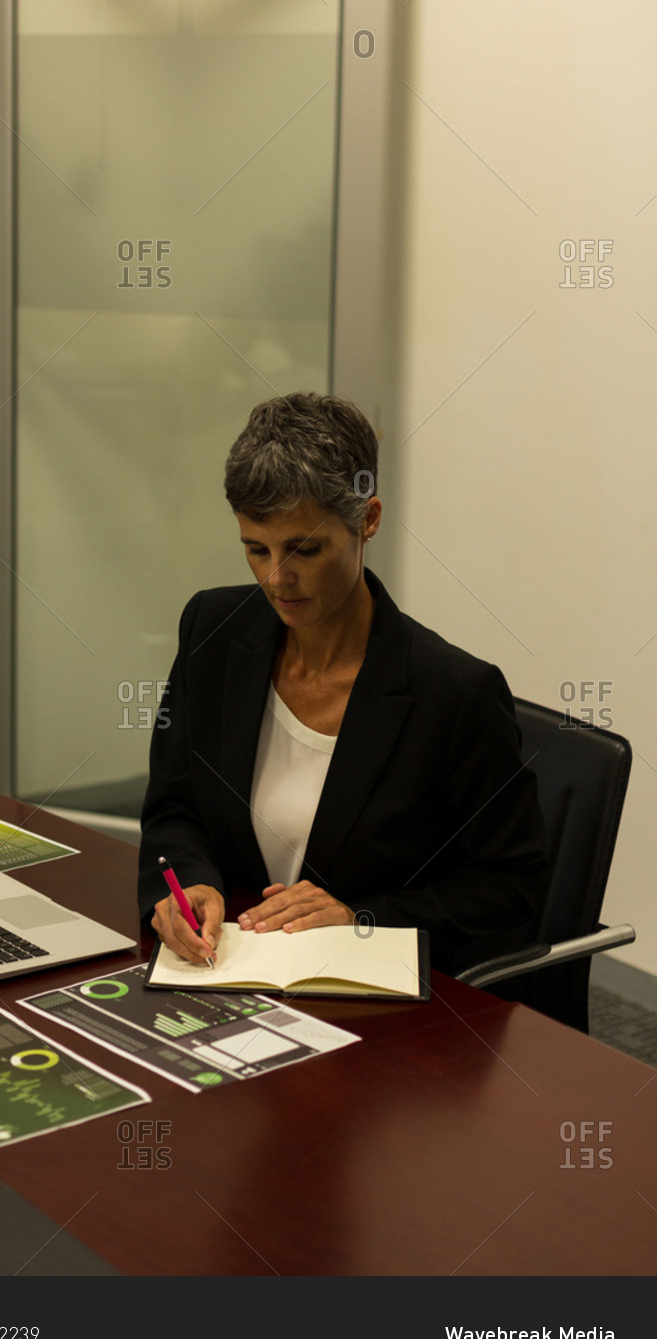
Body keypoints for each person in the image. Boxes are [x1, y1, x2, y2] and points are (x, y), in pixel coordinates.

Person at [137, 392, 548, 978]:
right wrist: (191, 881)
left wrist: (364, 917)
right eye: (256, 550)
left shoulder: (454, 694)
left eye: (305, 549)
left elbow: (512, 889)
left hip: (373, 1001)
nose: (278, 579)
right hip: (230, 973)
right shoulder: (212, 631)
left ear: (368, 520)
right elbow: (174, 806)